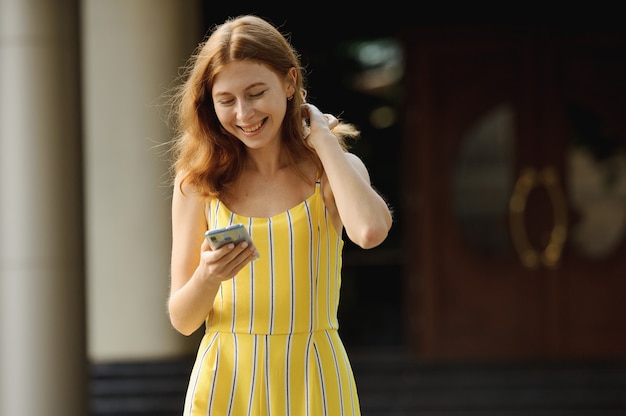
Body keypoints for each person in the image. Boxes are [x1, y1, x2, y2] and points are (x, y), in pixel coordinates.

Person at [167, 14, 393, 415]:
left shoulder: (329, 168)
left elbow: (370, 230)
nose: (244, 113)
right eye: (226, 100)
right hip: (226, 381)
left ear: (290, 83)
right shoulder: (198, 182)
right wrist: (209, 275)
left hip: (314, 377)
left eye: (256, 93)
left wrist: (322, 139)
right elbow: (183, 319)